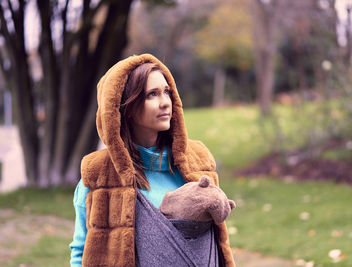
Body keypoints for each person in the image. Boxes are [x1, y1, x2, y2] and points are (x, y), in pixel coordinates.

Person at [69, 54, 235, 267]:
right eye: (152, 95)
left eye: (167, 92)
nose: (165, 102)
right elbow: (81, 252)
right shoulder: (99, 177)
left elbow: (218, 244)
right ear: (125, 107)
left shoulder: (197, 162)